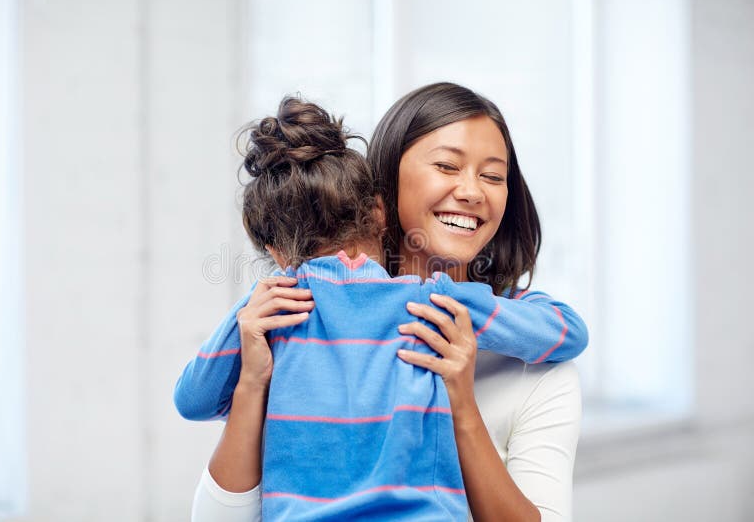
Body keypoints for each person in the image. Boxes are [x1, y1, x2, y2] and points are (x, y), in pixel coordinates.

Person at [184, 83, 587, 521]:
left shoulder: (537, 370)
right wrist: (250, 384)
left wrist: (463, 405)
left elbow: (192, 399)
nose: (472, 191)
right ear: (381, 196)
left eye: (492, 176)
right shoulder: (288, 325)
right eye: (447, 165)